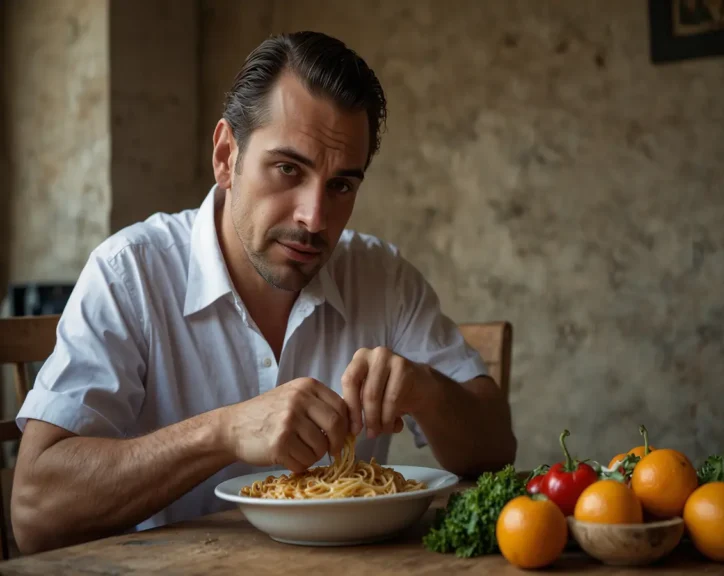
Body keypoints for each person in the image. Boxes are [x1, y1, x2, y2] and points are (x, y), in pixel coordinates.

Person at [11, 31, 517, 554]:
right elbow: (34, 512)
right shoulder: (129, 273)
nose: (315, 218)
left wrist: (429, 391)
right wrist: (223, 432)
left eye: (342, 185)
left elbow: (496, 448)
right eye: (288, 169)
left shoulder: (382, 276)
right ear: (227, 156)